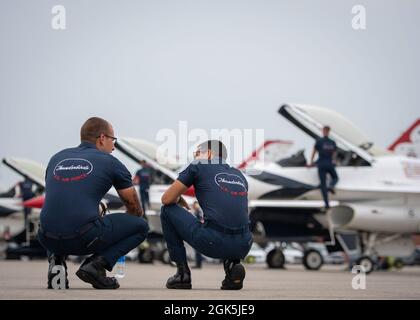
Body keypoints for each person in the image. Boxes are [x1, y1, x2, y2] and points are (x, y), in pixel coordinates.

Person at [37, 117, 149, 290]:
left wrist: (96, 210)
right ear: (102, 138)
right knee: (141, 226)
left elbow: (61, 201)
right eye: (113, 140)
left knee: (58, 216)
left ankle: (56, 266)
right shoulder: (111, 162)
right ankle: (96, 265)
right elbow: (135, 210)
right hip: (83, 238)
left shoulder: (56, 158)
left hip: (46, 237)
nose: (114, 146)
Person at [160, 140, 253, 290]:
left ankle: (182, 274)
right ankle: (232, 270)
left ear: (209, 153)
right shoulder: (239, 175)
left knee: (167, 210)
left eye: (197, 153)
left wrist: (178, 198)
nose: (195, 158)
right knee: (229, 220)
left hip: (213, 242)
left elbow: (166, 199)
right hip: (244, 244)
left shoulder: (198, 166)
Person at [308, 125, 339, 209]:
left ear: (323, 131)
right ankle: (331, 186)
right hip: (329, 164)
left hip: (321, 164)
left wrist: (311, 162)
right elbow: (334, 154)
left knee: (323, 184)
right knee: (335, 178)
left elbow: (314, 152)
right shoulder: (332, 142)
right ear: (329, 131)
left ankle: (327, 204)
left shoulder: (319, 141)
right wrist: (334, 161)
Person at [191, 201, 203, 269]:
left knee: (197, 249)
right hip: (197, 232)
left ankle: (198, 264)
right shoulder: (197, 212)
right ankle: (198, 263)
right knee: (197, 249)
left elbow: (198, 221)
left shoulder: (198, 212)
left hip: (198, 232)